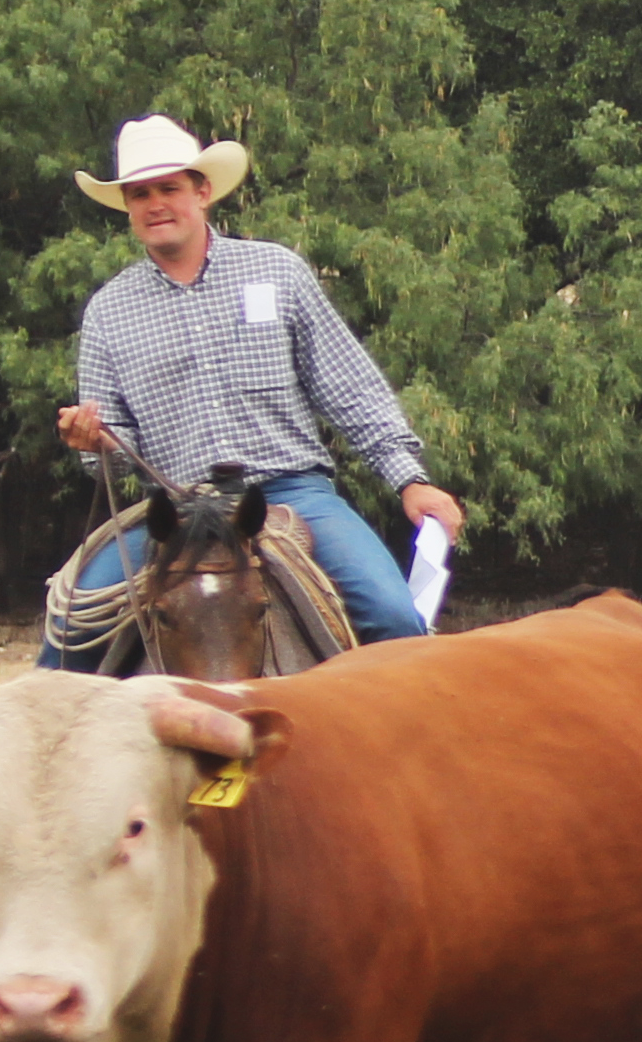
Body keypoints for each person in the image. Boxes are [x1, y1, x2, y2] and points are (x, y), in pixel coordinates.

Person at [39, 115, 464, 665]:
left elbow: (349, 385)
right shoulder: (109, 312)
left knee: (392, 616)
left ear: (202, 191)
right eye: (140, 193)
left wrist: (410, 480)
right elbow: (110, 464)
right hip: (175, 510)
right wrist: (95, 442)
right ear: (128, 207)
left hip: (292, 493)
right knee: (67, 636)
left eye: (170, 188)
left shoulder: (276, 272)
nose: (156, 204)